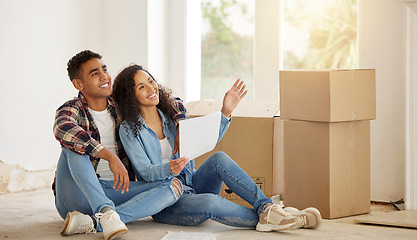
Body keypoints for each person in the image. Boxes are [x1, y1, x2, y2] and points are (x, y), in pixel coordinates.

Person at [113, 64, 322, 232]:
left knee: (219, 158)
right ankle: (280, 217)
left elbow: (204, 140)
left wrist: (225, 112)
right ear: (130, 97)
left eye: (151, 81)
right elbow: (145, 173)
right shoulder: (129, 130)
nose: (151, 89)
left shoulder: (170, 116)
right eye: (142, 87)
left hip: (191, 182)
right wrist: (170, 168)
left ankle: (267, 208)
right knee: (211, 203)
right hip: (167, 201)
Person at [53, 50, 187, 240]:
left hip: (115, 190)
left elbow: (171, 100)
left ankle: (94, 222)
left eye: (104, 69)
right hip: (75, 195)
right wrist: (109, 155)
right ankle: (105, 212)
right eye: (95, 73)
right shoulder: (71, 109)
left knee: (171, 185)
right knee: (73, 147)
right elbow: (63, 128)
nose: (104, 76)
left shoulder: (119, 106)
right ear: (78, 84)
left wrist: (181, 124)